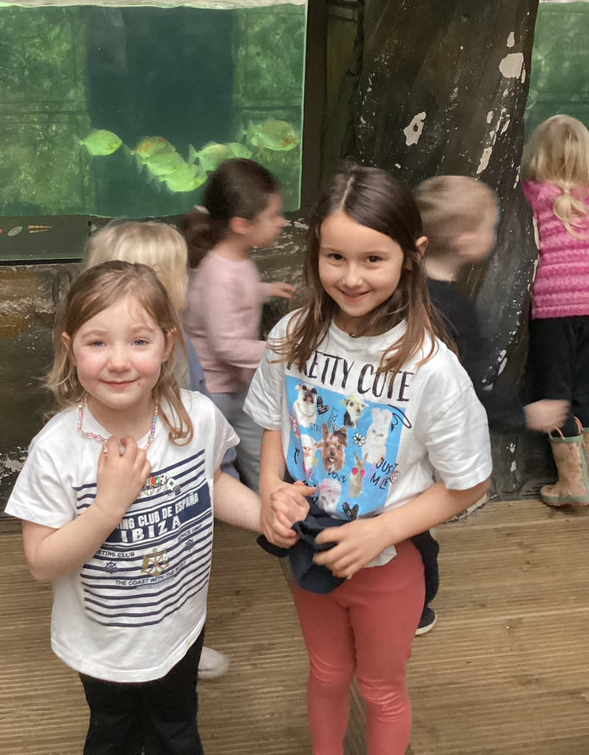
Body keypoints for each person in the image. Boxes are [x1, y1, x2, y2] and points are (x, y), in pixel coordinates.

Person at [245, 165, 491, 755]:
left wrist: (381, 531)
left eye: (373, 259)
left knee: (380, 690)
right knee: (327, 674)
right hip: (310, 549)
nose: (351, 277)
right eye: (335, 257)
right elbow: (276, 419)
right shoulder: (291, 335)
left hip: (388, 564)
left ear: (413, 255)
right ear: (315, 252)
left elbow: (469, 482)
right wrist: (271, 488)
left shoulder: (432, 367)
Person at [5, 261, 261, 755]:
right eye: (97, 342)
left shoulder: (195, 417)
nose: (119, 361)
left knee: (177, 728)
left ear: (167, 345)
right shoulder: (57, 449)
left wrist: (266, 517)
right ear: (70, 348)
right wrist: (109, 506)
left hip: (182, 624)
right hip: (104, 645)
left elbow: (211, 482)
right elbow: (41, 561)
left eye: (139, 341)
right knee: (114, 733)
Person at [82, 219, 229, 681]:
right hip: (141, 490)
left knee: (176, 569)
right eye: (182, 270)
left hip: (179, 487)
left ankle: (179, 644)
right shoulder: (148, 360)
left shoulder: (175, 342)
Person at [414, 174, 523, 635]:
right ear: (465, 242)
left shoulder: (400, 288)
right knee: (417, 523)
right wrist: (522, 415)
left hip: (389, 425)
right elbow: (474, 385)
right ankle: (416, 606)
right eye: (490, 226)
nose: (494, 234)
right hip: (430, 436)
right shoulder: (456, 310)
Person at [182, 158, 295, 492]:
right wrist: (282, 350)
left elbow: (236, 297)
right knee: (214, 462)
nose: (282, 222)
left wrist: (264, 290)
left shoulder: (238, 259)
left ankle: (270, 503)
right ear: (242, 224)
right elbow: (227, 347)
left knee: (261, 453)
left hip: (240, 383)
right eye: (273, 216)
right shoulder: (217, 273)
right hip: (212, 391)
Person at [520, 114, 589, 506]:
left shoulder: (531, 193)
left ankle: (571, 484)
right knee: (585, 391)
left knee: (556, 393)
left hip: (555, 307)